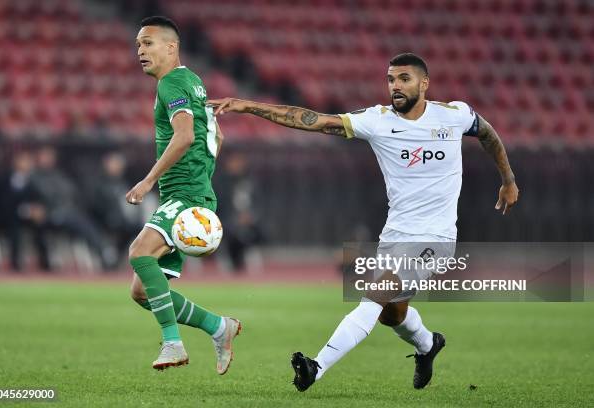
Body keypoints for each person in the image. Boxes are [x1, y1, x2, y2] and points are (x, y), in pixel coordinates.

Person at [210, 53, 519, 390]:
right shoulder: (377, 120)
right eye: (391, 79)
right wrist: (248, 105)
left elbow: (488, 134)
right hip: (395, 235)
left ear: (424, 83)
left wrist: (508, 179)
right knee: (391, 314)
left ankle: (316, 367)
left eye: (404, 78)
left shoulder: (455, 114)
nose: (395, 86)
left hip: (436, 237)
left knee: (374, 293)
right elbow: (312, 119)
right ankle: (429, 345)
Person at [128, 16, 240, 372]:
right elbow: (216, 138)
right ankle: (219, 327)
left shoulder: (171, 83)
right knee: (142, 291)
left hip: (184, 194)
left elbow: (186, 136)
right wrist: (202, 182)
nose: (141, 51)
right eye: (138, 46)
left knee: (138, 252)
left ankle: (173, 344)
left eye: (148, 43)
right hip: (193, 193)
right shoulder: (194, 81)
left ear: (171, 46)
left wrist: (148, 182)